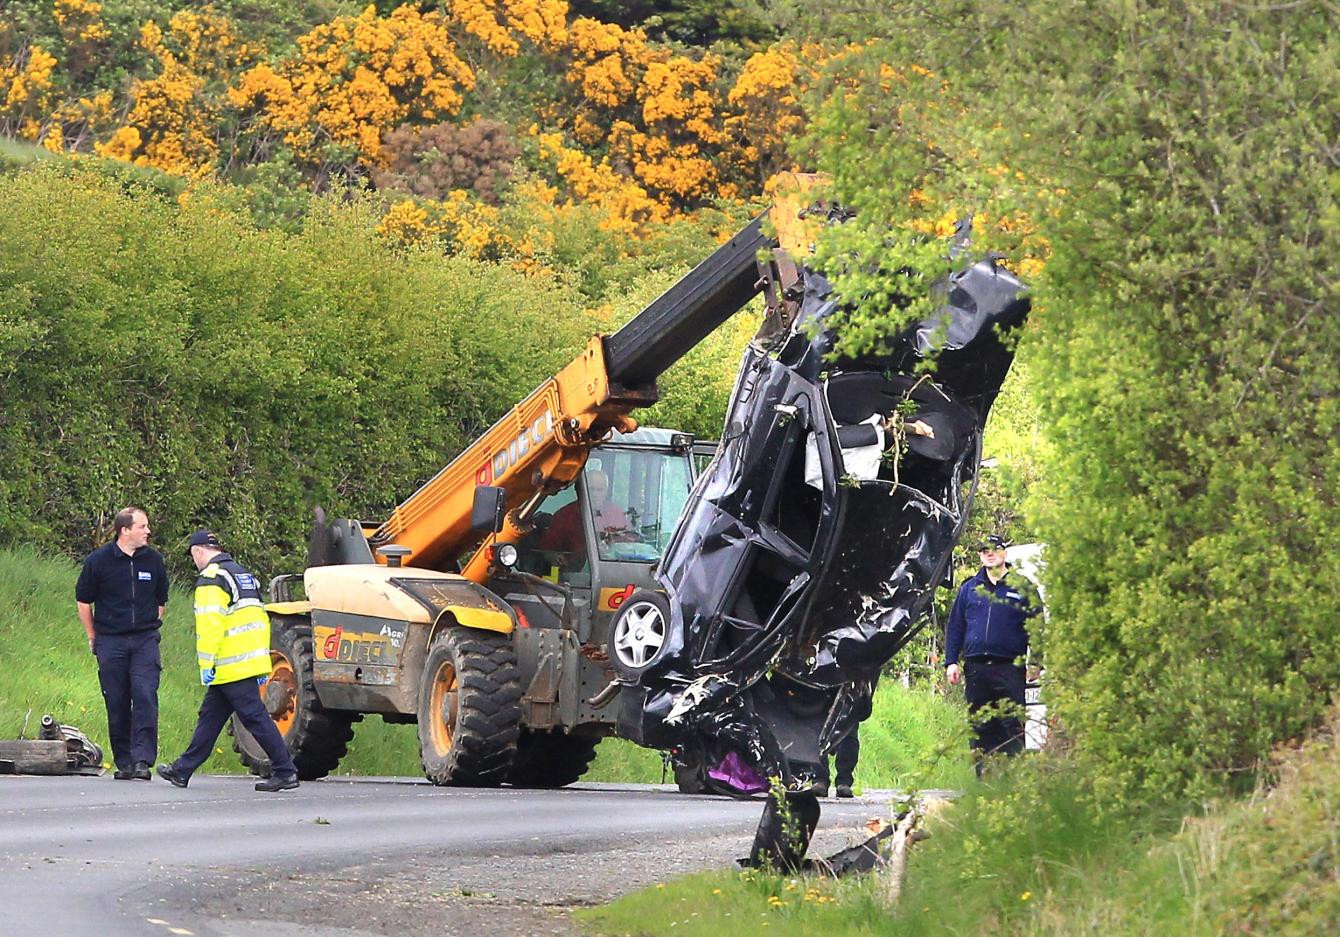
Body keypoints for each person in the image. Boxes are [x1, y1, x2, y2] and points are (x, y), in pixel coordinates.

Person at [157, 530, 300, 792]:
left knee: (254, 716)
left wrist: (206, 664)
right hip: (247, 659)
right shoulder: (244, 576)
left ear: (198, 551)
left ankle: (285, 770)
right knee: (210, 717)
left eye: (193, 556)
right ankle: (182, 770)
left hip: (230, 663)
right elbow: (259, 620)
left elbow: (210, 624)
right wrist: (261, 663)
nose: (195, 562)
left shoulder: (212, 578)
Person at [76, 506, 169, 781]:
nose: (148, 531)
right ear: (124, 530)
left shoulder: (153, 560)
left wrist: (151, 627)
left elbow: (161, 601)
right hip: (110, 640)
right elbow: (84, 601)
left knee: (144, 695)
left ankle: (142, 761)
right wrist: (93, 636)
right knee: (116, 700)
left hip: (144, 640)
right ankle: (125, 762)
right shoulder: (99, 561)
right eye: (142, 526)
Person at [945, 534, 1042, 772]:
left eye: (994, 549)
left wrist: (1036, 661)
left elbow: (1037, 625)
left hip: (1009, 667)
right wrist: (951, 661)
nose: (989, 554)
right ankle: (983, 782)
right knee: (980, 726)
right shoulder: (970, 588)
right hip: (977, 668)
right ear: (980, 555)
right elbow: (956, 626)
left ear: (1004, 553)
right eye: (984, 550)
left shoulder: (1022, 586)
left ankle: (1013, 782)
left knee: (1011, 724)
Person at [540, 469, 630, 556]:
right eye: (591, 489)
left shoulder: (616, 514)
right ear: (580, 490)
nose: (595, 494)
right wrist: (554, 557)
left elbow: (628, 544)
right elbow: (547, 549)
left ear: (606, 491)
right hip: (574, 569)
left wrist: (610, 549)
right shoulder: (564, 516)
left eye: (599, 490)